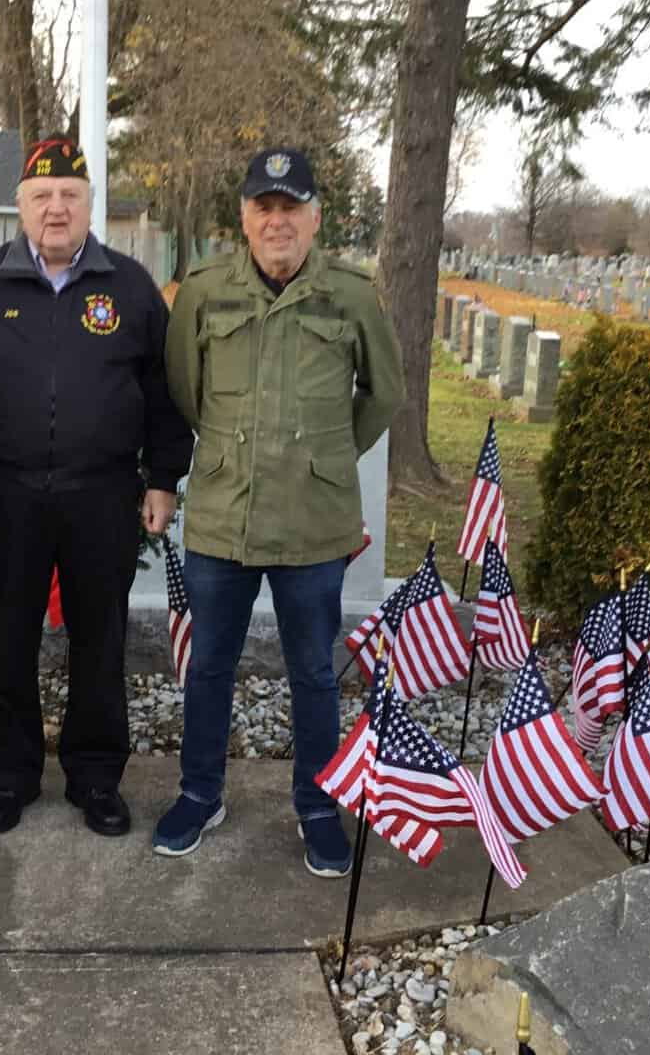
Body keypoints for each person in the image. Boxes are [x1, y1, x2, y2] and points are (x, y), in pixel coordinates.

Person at [0, 135, 192, 838]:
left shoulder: (129, 288)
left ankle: (96, 777)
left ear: (89, 205)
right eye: (42, 196)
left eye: (70, 195)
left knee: (100, 639)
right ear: (21, 206)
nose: (56, 208)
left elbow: (165, 393)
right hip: (3, 491)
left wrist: (163, 478)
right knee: (5, 636)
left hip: (102, 493)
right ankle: (12, 776)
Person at [155, 146, 404, 876]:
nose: (277, 221)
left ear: (315, 217)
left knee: (314, 673)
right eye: (264, 208)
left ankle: (319, 805)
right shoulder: (203, 292)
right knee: (209, 667)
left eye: (291, 207)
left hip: (313, 521)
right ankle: (200, 794)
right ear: (244, 217)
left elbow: (381, 394)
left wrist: (325, 455)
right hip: (223, 514)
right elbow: (184, 390)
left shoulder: (353, 296)